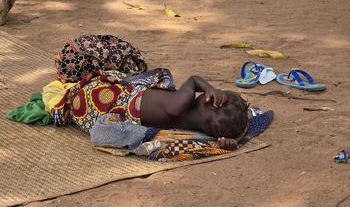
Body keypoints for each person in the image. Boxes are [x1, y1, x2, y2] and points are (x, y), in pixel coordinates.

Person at [52, 68, 248, 151]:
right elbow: (216, 136)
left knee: (113, 85)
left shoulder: (182, 101)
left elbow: (194, 79)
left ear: (210, 101)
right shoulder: (199, 131)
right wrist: (232, 141)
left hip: (101, 101)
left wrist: (209, 88)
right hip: (108, 108)